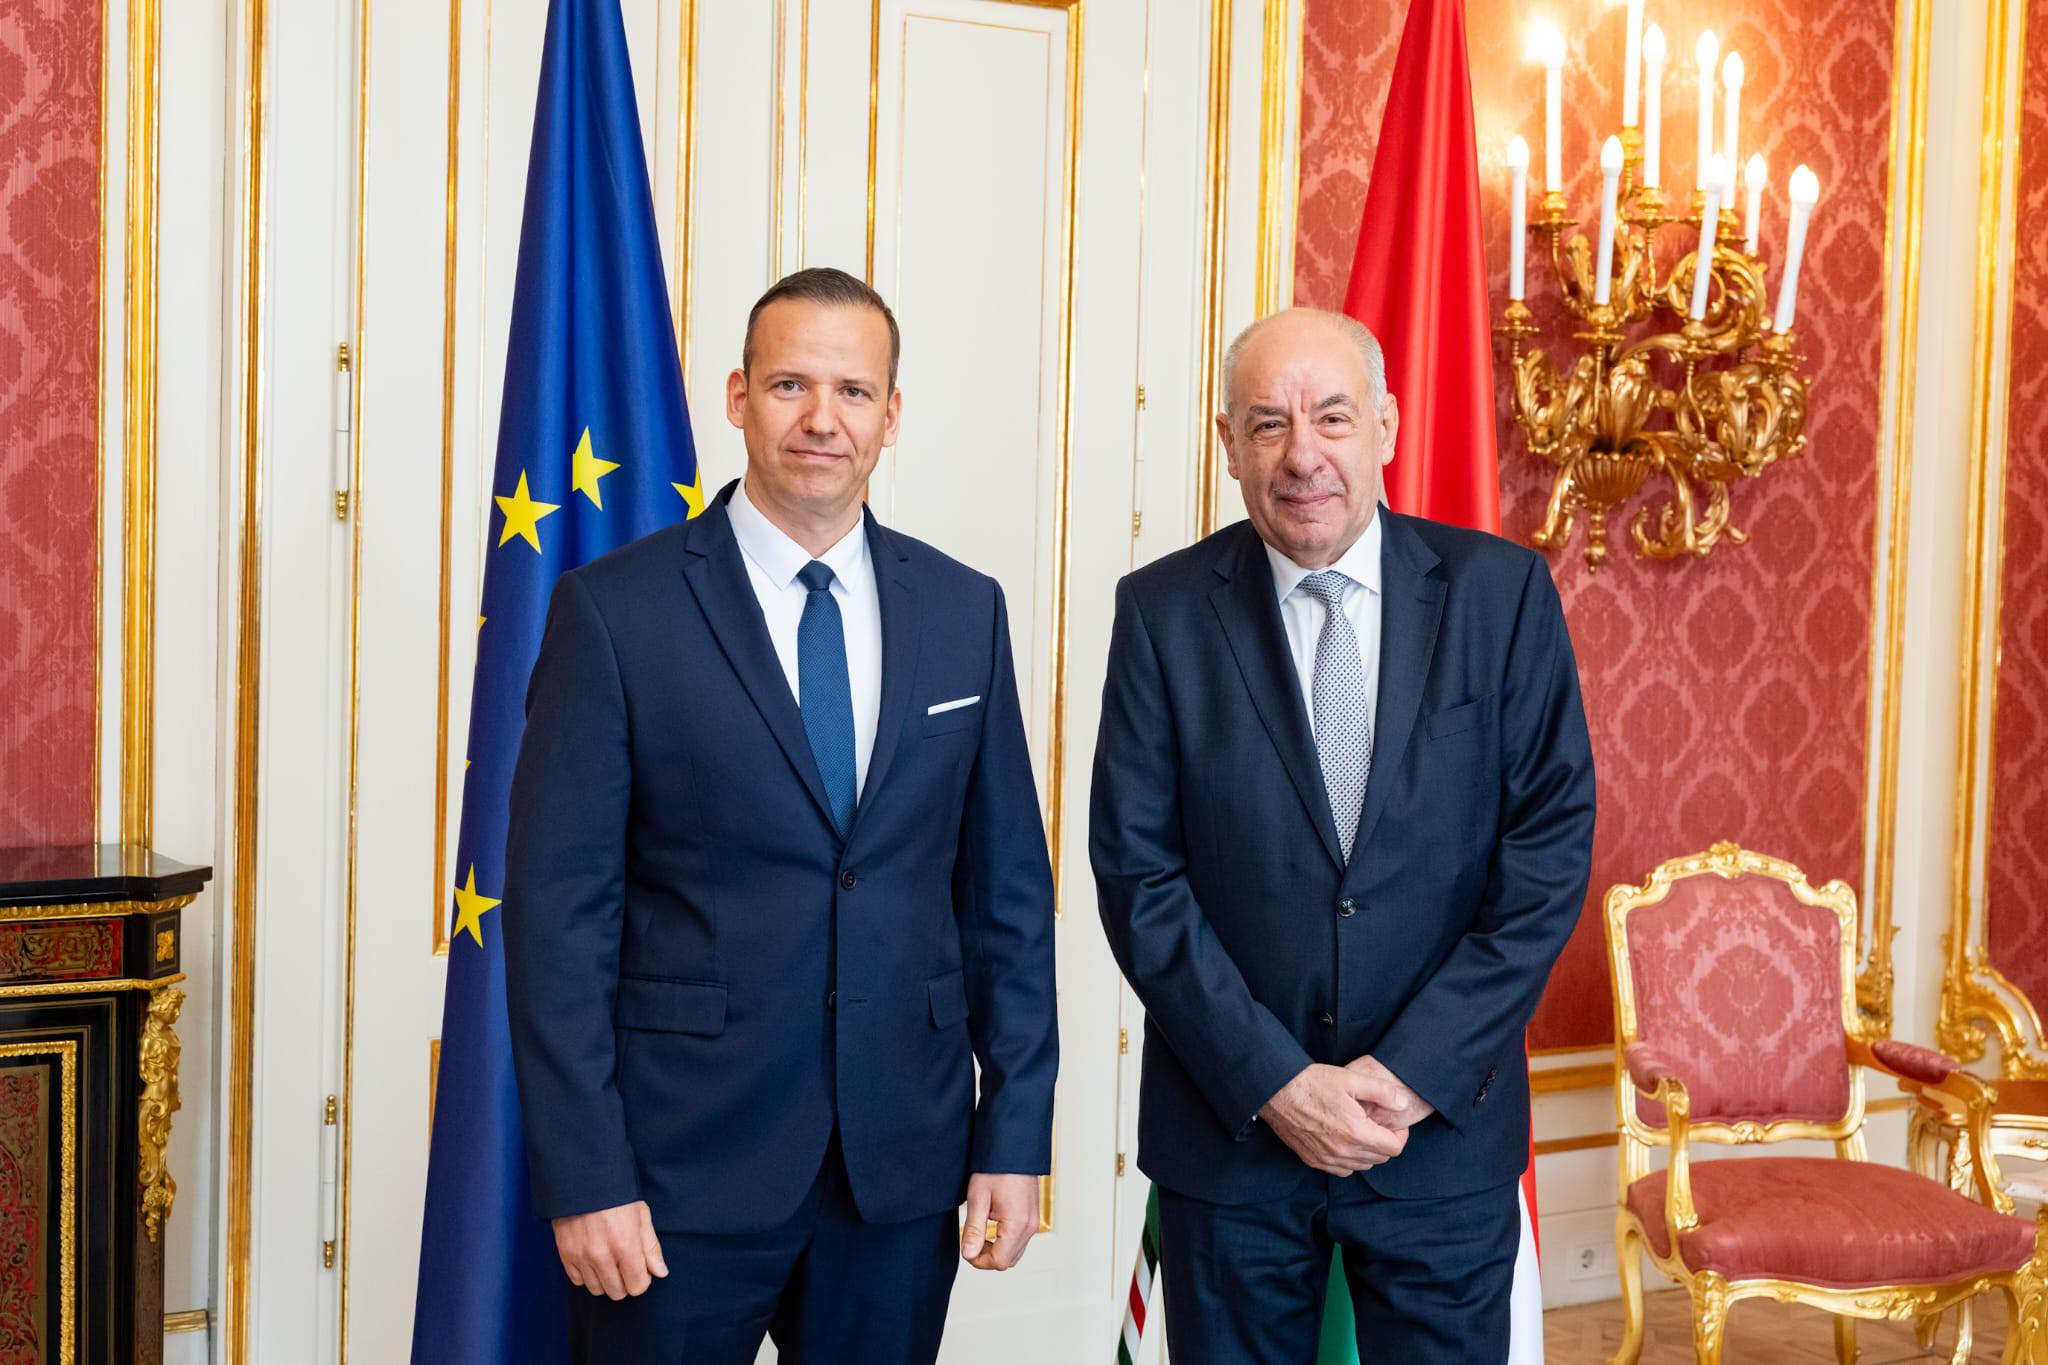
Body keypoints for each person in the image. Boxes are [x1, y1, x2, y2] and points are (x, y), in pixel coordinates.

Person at [504, 266, 1059, 1363]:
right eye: (790, 385)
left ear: (891, 416)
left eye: (853, 392)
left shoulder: (965, 610)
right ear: (737, 396)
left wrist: (1014, 1132)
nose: (821, 419)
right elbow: (557, 918)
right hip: (671, 1177)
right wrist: (587, 1174)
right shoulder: (614, 613)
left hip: (899, 1168)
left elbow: (1005, 897)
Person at [1090, 307, 1595, 1361]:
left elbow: (1545, 856)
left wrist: (1410, 1073)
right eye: (1267, 423)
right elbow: (1139, 876)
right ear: (1228, 444)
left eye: (1330, 416)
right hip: (1233, 1139)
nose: (1301, 453)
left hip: (1439, 1137)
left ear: (1387, 427)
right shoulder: (1160, 613)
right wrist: (1277, 1083)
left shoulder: (1501, 597)